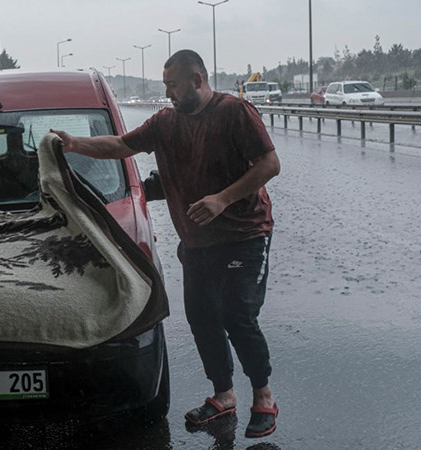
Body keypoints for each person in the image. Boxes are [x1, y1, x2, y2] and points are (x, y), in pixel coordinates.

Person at [50, 49, 280, 439]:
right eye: (165, 86)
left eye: (173, 85)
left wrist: (222, 198)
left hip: (244, 235)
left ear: (197, 80)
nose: (168, 92)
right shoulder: (165, 123)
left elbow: (269, 163)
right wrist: (74, 145)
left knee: (237, 316)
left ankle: (264, 396)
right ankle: (223, 395)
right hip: (197, 243)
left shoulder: (233, 112)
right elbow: (121, 146)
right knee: (202, 317)